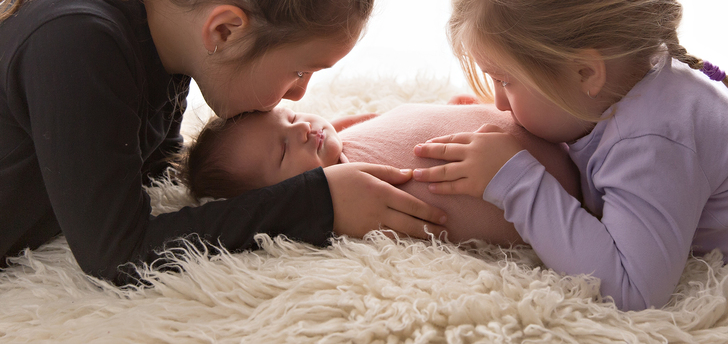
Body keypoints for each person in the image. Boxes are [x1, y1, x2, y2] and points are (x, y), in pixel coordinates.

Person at [0, 0, 447, 283]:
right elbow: (118, 253)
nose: (298, 94)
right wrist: (319, 202)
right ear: (226, 30)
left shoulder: (169, 33)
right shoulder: (78, 43)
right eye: (299, 71)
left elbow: (151, 163)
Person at [411, 0, 728, 311]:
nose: (497, 103)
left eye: (505, 81)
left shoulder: (651, 139)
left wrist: (515, 181)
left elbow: (633, 290)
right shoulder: (633, 88)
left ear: (586, 73)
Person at [180, 102, 581, 246]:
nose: (301, 129)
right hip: (563, 201)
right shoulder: (351, 210)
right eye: (283, 149)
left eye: (291, 116)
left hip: (558, 126)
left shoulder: (337, 133)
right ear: (285, 196)